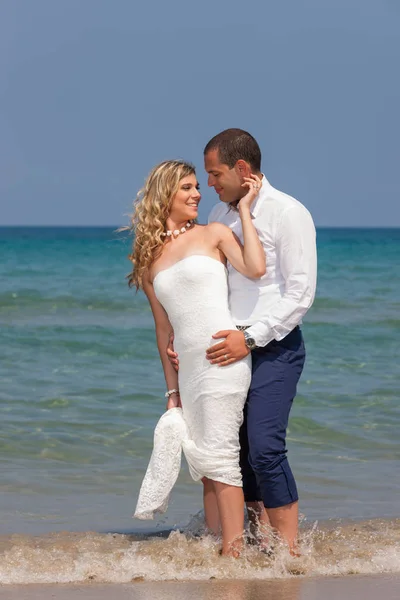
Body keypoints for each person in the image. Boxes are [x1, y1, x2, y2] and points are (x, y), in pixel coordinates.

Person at [168, 129, 317, 555]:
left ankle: (289, 556)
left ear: (242, 169)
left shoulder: (289, 212)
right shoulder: (219, 212)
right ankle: (256, 544)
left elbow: (300, 294)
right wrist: (185, 338)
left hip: (273, 345)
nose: (209, 184)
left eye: (214, 174)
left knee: (266, 448)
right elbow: (201, 283)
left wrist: (249, 338)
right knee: (238, 451)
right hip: (225, 349)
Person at [129, 159, 266, 556]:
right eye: (187, 188)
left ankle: (232, 554)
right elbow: (162, 331)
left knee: (221, 457)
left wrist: (244, 210)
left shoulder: (214, 234)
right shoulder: (149, 260)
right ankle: (214, 544)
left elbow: (256, 268)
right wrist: (171, 391)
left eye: (197, 187)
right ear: (165, 195)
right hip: (188, 369)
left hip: (223, 359)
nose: (197, 194)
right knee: (205, 466)